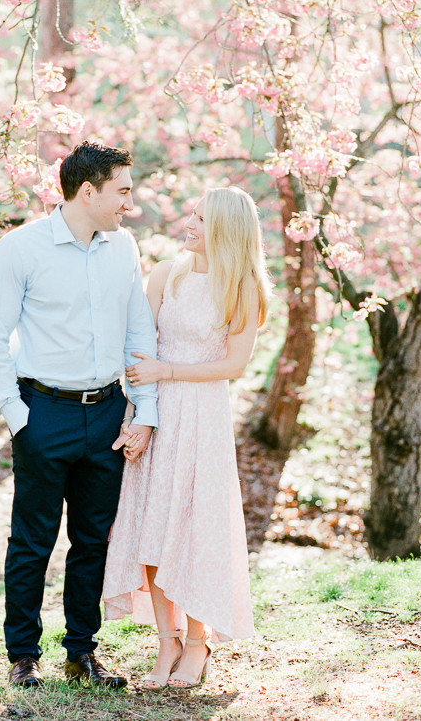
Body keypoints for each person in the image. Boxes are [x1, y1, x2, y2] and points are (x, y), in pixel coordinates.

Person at [0, 141, 158, 689]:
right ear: (88, 191)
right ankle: (23, 655)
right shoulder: (21, 248)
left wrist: (143, 410)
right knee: (32, 540)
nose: (130, 201)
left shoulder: (124, 247)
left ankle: (82, 651)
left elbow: (138, 330)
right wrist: (16, 415)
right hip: (42, 413)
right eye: (122, 190)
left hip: (107, 414)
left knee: (93, 539)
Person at [103, 185, 271, 688]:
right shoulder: (164, 273)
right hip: (157, 412)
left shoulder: (241, 287)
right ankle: (166, 640)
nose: (189, 224)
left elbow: (234, 365)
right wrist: (139, 417)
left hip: (203, 420)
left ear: (226, 231)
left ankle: (198, 643)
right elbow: (138, 345)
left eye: (201, 220)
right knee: (151, 530)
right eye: (192, 214)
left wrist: (167, 371)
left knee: (196, 532)